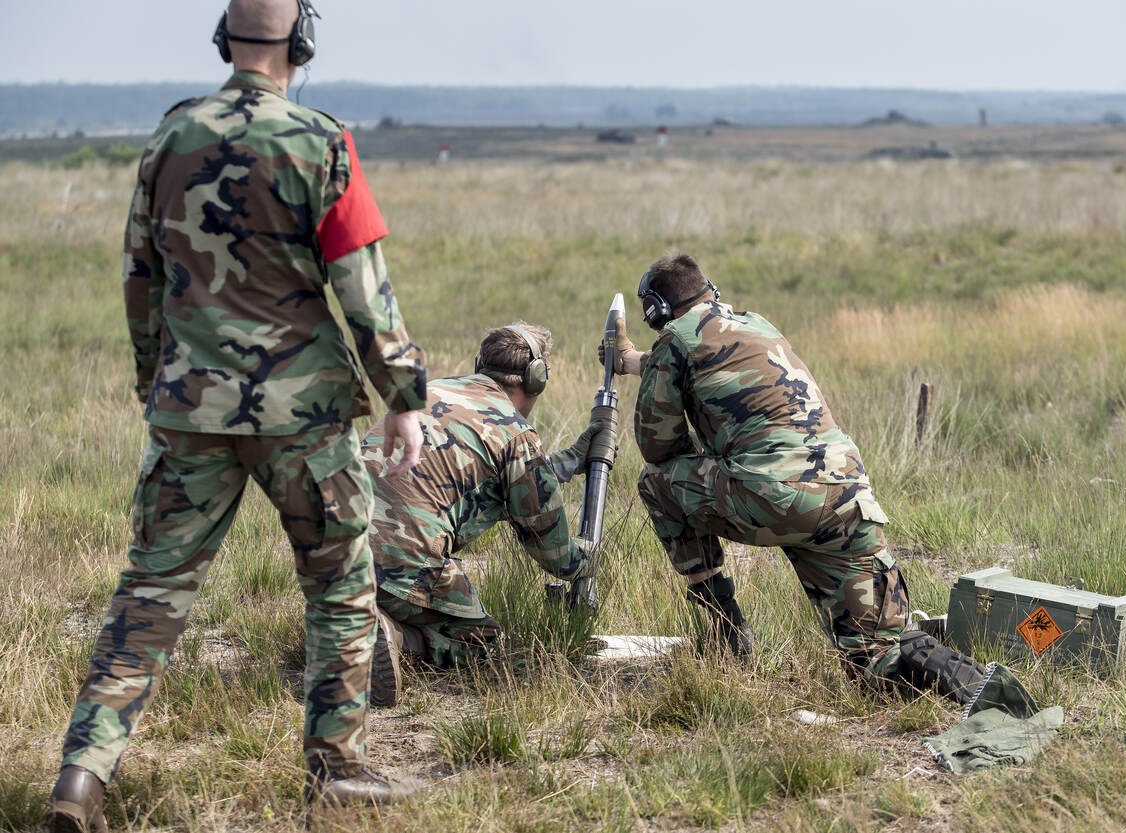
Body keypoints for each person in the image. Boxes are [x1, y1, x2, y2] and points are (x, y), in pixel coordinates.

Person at [48, 1, 426, 827]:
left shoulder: (170, 138)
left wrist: (157, 380)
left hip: (189, 409)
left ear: (225, 41)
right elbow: (363, 289)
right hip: (302, 416)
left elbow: (140, 274)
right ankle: (337, 768)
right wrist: (403, 395)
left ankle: (81, 776)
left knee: (150, 593)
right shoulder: (322, 142)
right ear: (302, 44)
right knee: (339, 586)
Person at [607, 253, 987, 701]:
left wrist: (654, 377)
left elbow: (658, 447)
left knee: (656, 481)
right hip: (848, 497)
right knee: (871, 661)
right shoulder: (757, 324)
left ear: (658, 312)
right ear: (710, 291)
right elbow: (706, 352)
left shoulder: (673, 340)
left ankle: (725, 631)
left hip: (776, 498)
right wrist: (636, 362)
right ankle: (967, 680)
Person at [361, 323, 600, 706]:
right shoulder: (515, 432)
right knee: (480, 643)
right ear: (536, 379)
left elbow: (482, 482)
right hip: (400, 563)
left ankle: (343, 615)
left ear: (480, 364)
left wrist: (566, 461)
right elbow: (555, 553)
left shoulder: (429, 392)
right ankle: (392, 636)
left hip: (332, 549)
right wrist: (587, 558)